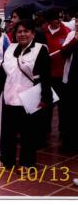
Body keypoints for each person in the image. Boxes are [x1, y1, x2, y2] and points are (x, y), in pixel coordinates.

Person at [0, 19, 52, 173]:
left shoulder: (40, 49)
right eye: (19, 31)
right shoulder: (10, 49)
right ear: (15, 34)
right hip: (10, 95)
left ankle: (27, 164)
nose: (22, 34)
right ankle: (6, 160)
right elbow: (3, 73)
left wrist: (46, 98)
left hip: (29, 96)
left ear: (32, 33)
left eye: (26, 31)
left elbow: (45, 75)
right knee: (8, 131)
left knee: (29, 133)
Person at [42, 8, 70, 143]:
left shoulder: (67, 32)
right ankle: (44, 130)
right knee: (46, 105)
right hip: (46, 75)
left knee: (63, 106)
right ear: (49, 19)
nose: (59, 20)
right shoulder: (42, 32)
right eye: (55, 18)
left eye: (61, 17)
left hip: (61, 75)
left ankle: (63, 131)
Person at [59, 17, 78, 150]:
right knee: (69, 110)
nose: (77, 23)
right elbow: (63, 52)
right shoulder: (71, 34)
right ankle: (69, 141)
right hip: (69, 79)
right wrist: (75, 39)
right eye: (76, 21)